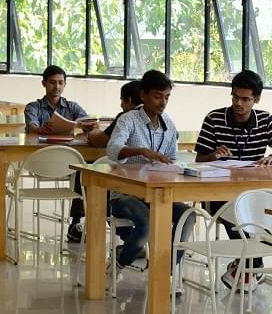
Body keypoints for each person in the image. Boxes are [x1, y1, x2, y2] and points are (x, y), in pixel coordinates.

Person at [194, 69, 272, 292]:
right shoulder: (214, 118)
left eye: (245, 99)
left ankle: (245, 267)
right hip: (220, 196)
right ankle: (252, 266)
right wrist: (214, 155)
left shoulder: (265, 120)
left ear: (256, 100)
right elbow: (199, 158)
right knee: (243, 218)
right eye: (235, 97)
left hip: (255, 195)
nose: (238, 103)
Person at [105, 69, 191, 269]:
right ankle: (120, 262)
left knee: (189, 215)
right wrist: (142, 151)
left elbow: (173, 160)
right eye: (157, 96)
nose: (162, 102)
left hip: (157, 193)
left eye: (167, 97)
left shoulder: (168, 125)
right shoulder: (128, 119)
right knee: (149, 222)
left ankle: (166, 270)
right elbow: (112, 149)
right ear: (143, 95)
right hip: (126, 193)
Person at [25, 65, 99, 240]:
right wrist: (41, 129)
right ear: (44, 83)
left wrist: (89, 126)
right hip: (42, 161)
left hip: (67, 161)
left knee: (87, 169)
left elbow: (86, 122)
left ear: (65, 84)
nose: (56, 87)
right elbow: (32, 128)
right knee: (81, 169)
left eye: (60, 83)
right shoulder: (33, 107)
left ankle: (77, 222)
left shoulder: (73, 107)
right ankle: (78, 222)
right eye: (52, 82)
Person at [86, 80, 143, 149]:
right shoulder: (153, 115)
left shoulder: (126, 117)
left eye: (122, 100)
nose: (121, 105)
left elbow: (99, 141)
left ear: (129, 100)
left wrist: (93, 131)